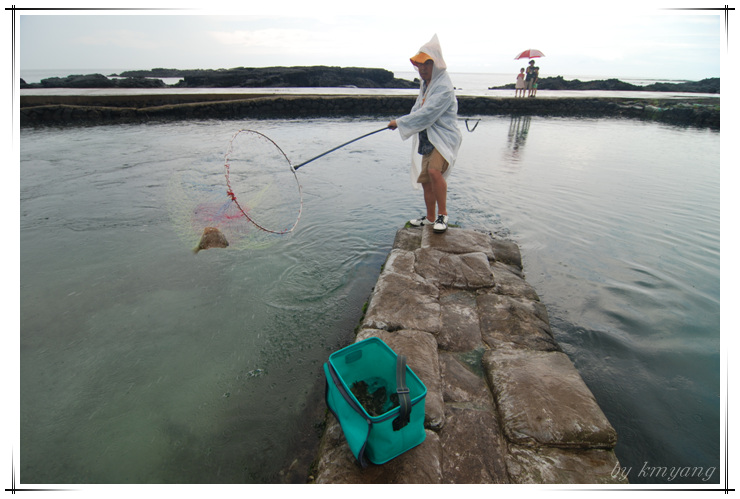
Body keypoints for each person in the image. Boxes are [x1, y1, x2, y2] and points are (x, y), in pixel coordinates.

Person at [387, 34, 462, 234]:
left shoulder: (444, 87)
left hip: (443, 138)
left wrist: (400, 123)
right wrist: (400, 122)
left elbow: (428, 113)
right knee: (426, 180)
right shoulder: (427, 84)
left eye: (425, 65)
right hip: (428, 138)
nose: (422, 70)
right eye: (419, 66)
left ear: (435, 64)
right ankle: (430, 218)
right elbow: (418, 108)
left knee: (434, 172)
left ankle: (443, 215)